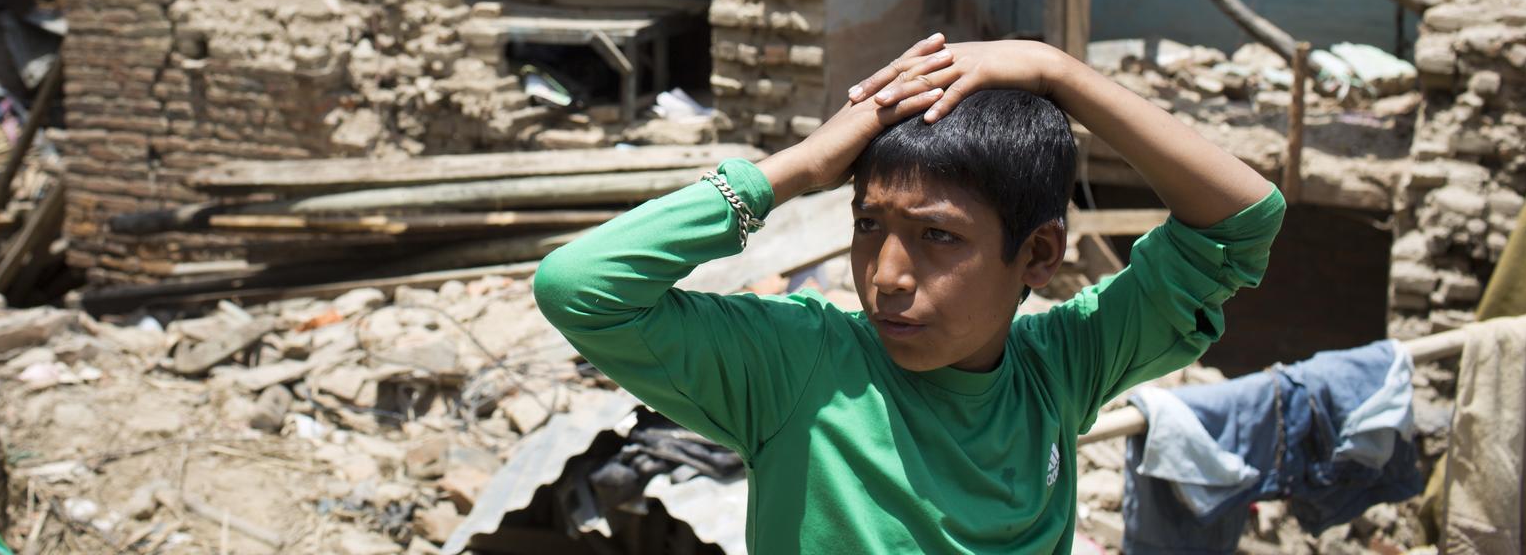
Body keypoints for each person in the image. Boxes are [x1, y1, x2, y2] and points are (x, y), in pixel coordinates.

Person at [533, 34, 1284, 554]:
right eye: (867, 226)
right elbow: (580, 288)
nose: (886, 275)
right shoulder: (798, 369)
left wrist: (1059, 74)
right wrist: (796, 168)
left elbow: (1244, 218)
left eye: (938, 237)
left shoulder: (1062, 369)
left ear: (1039, 255)